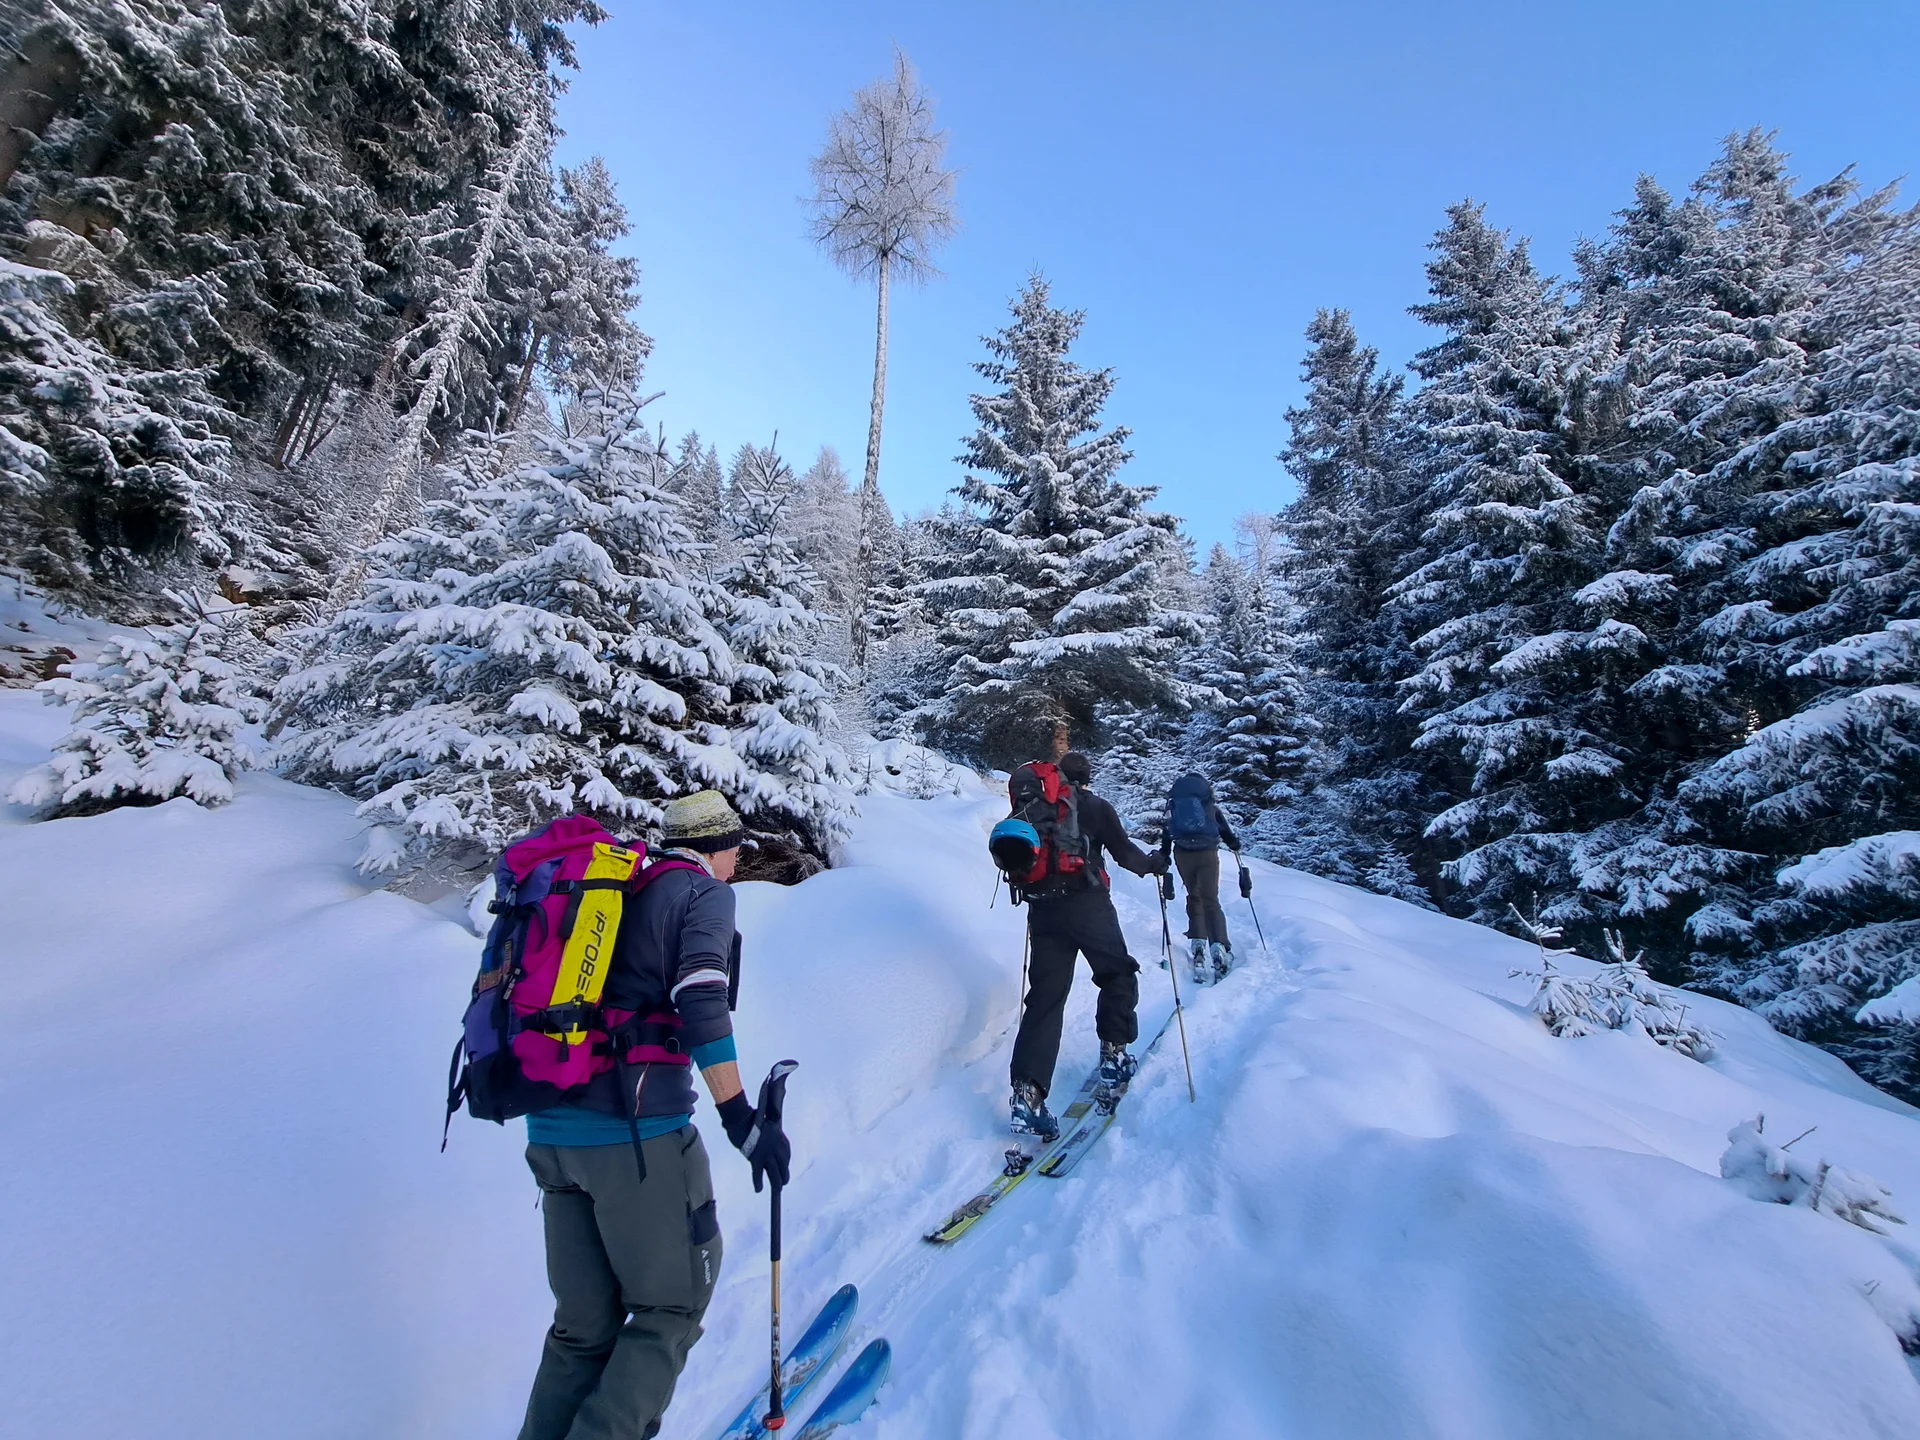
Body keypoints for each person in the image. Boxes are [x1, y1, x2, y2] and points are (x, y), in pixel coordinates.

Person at [519, 790, 791, 1440]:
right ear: (715, 847)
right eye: (733, 849)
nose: (735, 862)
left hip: (551, 1129)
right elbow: (701, 998)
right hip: (634, 1139)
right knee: (670, 1306)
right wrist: (741, 1122)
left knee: (582, 1333)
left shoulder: (619, 889)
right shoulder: (702, 895)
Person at [1008, 750, 1168, 1139]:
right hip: (1087, 904)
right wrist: (1155, 864)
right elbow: (1127, 856)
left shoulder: (1035, 806)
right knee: (1117, 973)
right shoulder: (1095, 806)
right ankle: (1114, 1056)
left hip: (1042, 910)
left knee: (1045, 998)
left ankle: (1026, 1096)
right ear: (1088, 777)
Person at [1160, 771, 1242, 986]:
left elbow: (1167, 831)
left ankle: (1198, 943)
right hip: (1207, 853)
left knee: (1193, 895)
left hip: (1182, 853)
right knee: (1211, 900)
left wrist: (1164, 855)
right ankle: (1220, 946)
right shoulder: (1208, 806)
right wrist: (1234, 845)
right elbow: (1225, 830)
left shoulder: (1175, 806)